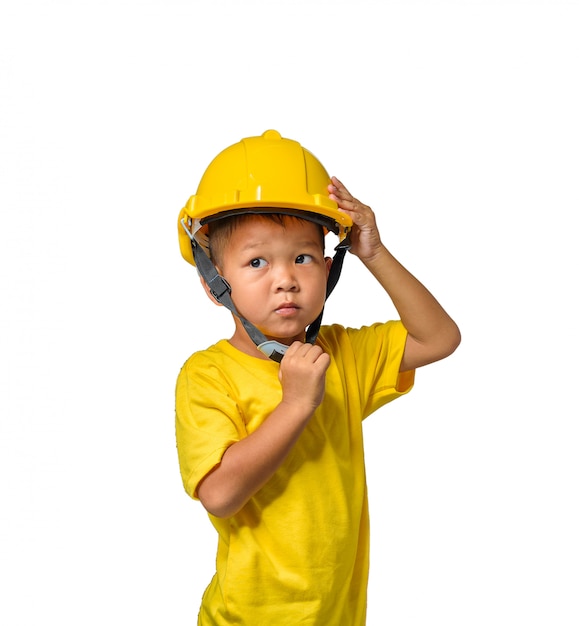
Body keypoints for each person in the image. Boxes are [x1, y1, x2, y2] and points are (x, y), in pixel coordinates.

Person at [175, 129, 460, 625]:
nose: (285, 277)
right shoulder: (208, 375)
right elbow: (219, 495)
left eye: (302, 258)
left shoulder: (342, 354)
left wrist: (374, 253)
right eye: (257, 261)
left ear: (328, 270)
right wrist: (295, 405)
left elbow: (439, 338)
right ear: (213, 281)